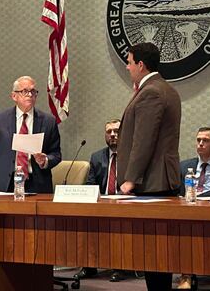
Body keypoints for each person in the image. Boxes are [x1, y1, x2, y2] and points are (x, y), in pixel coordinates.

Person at [116, 42, 181, 291]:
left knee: (154, 255)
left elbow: (143, 140)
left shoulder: (151, 92)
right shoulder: (165, 88)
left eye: (129, 62)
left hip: (152, 183)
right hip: (159, 180)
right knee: (157, 256)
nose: (127, 67)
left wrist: (130, 179)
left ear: (141, 65)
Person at [0, 76, 61, 193]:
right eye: (25, 91)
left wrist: (45, 160)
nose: (30, 95)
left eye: (33, 91)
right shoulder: (1, 119)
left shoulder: (48, 121)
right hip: (6, 183)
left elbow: (56, 154)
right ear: (14, 96)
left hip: (36, 183)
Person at [174, 127, 210, 289]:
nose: (201, 143)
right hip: (189, 212)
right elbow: (177, 192)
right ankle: (186, 275)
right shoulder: (184, 166)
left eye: (205, 140)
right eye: (198, 140)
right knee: (185, 232)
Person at [76, 119, 129, 283]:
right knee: (85, 220)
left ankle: (120, 267)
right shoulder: (97, 156)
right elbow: (90, 183)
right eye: (109, 132)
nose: (112, 135)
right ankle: (89, 266)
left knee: (119, 223)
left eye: (116, 131)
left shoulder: (131, 156)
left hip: (125, 203)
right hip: (102, 203)